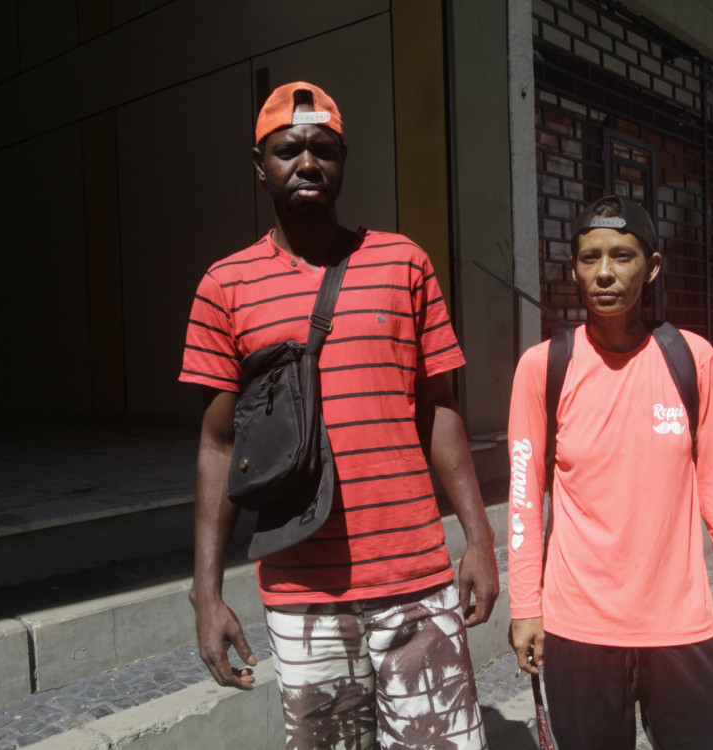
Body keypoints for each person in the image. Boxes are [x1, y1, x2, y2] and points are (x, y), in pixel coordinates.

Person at [180, 81, 498, 749]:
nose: (306, 162)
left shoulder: (403, 263)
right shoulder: (224, 286)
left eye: (322, 149)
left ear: (343, 159)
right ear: (258, 165)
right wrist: (205, 595)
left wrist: (479, 538)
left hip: (415, 581)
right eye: (287, 149)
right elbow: (217, 445)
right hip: (301, 593)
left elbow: (439, 410)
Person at [507, 196, 713, 750]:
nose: (604, 273)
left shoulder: (691, 358)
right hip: (579, 630)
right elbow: (524, 499)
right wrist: (526, 606)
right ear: (573, 269)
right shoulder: (542, 367)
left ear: (651, 268)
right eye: (589, 258)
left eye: (622, 257)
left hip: (682, 624)